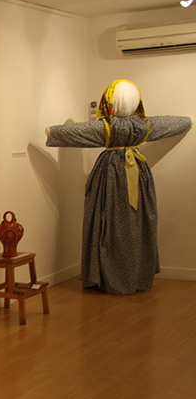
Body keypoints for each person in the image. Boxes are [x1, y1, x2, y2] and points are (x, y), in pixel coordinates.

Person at [45, 79, 191, 295]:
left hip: (110, 174)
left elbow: (68, 132)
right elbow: (178, 123)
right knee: (136, 223)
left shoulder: (106, 128)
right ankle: (135, 275)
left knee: (108, 222)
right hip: (138, 173)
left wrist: (51, 132)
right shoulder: (143, 126)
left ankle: (108, 276)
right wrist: (188, 121)